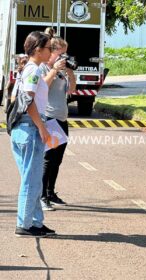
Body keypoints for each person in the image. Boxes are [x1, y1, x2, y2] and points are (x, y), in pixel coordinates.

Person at [11, 31, 55, 237]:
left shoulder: (28, 69)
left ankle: (35, 222)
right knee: (32, 180)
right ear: (38, 50)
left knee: (33, 179)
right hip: (30, 129)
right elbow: (28, 102)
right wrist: (42, 127)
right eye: (49, 48)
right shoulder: (34, 70)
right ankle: (24, 224)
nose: (51, 52)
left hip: (22, 129)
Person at [40, 28, 76, 210]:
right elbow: (43, 87)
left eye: (65, 54)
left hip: (62, 118)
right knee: (48, 159)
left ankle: (51, 192)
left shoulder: (62, 70)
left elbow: (70, 91)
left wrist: (70, 73)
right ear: (51, 52)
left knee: (57, 159)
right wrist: (54, 70)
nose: (64, 57)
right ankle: (42, 195)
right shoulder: (44, 68)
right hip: (50, 117)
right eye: (61, 53)